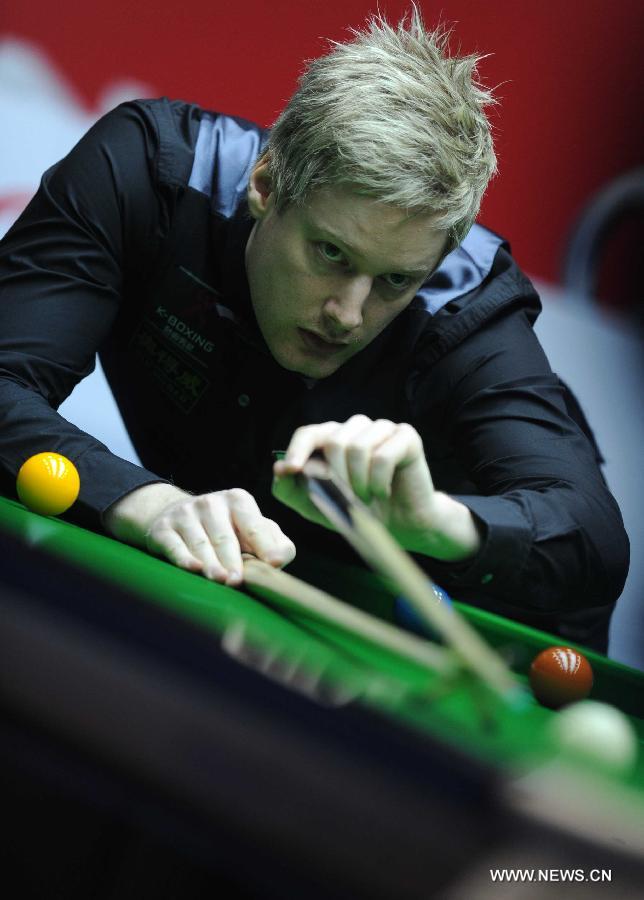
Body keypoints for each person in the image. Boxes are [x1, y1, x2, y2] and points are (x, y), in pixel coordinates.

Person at [0, 8, 629, 652]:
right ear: (267, 185)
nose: (348, 314)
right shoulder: (149, 179)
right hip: (255, 591)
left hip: (480, 650)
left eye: (394, 281)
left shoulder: (465, 311)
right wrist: (146, 501)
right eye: (332, 254)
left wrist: (432, 522)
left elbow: (592, 538)